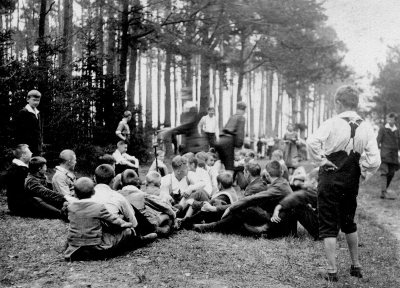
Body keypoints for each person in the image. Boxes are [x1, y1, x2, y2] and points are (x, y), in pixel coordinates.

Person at [307, 85, 381, 282]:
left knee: (329, 222)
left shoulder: (332, 122)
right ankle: (356, 266)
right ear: (355, 104)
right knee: (349, 221)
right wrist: (362, 172)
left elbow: (311, 142)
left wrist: (322, 160)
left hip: (330, 177)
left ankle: (332, 271)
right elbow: (375, 160)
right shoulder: (366, 126)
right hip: (351, 179)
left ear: (338, 103)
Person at [194, 160, 294, 237]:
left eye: (244, 172)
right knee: (229, 207)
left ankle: (210, 226)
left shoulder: (263, 186)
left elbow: (250, 199)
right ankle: (207, 224)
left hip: (272, 223)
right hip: (273, 219)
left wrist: (225, 208)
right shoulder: (279, 183)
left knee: (241, 209)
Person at [64, 177, 136, 261]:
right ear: (93, 192)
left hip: (75, 246)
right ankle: (109, 252)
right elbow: (114, 220)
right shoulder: (98, 207)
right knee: (127, 231)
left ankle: (79, 251)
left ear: (75, 193)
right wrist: (126, 224)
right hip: (96, 246)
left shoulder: (70, 207)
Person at [271, 168, 319, 240]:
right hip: (329, 229)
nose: (304, 183)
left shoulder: (315, 192)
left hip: (322, 231)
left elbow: (298, 196)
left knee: (296, 206)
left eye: (306, 181)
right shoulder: (323, 189)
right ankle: (292, 233)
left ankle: (290, 233)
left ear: (313, 181)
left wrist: (277, 208)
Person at [215, 101, 247, 171]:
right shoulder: (241, 118)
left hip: (220, 141)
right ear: (244, 110)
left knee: (221, 167)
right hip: (228, 142)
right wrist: (239, 145)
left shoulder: (232, 117)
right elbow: (240, 133)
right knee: (229, 169)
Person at [376, 112, 400, 199]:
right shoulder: (383, 129)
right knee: (384, 172)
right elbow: (378, 140)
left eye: (391, 119)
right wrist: (376, 149)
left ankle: (384, 190)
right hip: (385, 155)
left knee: (391, 173)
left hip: (394, 157)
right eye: (388, 119)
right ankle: (383, 192)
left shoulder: (397, 131)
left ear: (395, 120)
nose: (389, 120)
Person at [5, 144, 32, 215]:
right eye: (30, 152)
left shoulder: (17, 167)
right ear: (23, 155)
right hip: (21, 206)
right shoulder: (19, 170)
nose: (32, 153)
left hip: (16, 204)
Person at [14, 90, 43, 155]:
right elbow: (19, 132)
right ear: (28, 99)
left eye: (38, 100)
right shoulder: (23, 113)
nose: (36, 102)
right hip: (27, 148)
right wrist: (22, 147)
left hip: (37, 147)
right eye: (34, 100)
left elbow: (39, 131)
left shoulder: (38, 113)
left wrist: (40, 144)